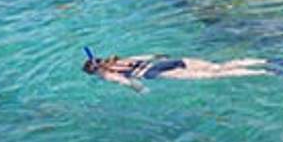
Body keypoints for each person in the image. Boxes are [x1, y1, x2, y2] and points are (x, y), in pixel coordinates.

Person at [82, 53, 272, 91]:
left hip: (154, 72)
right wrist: (161, 55)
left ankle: (263, 73)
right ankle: (261, 61)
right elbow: (149, 55)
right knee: (216, 66)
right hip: (166, 61)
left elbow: (126, 82)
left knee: (215, 75)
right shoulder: (119, 59)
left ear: (95, 72)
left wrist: (140, 90)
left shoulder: (107, 74)